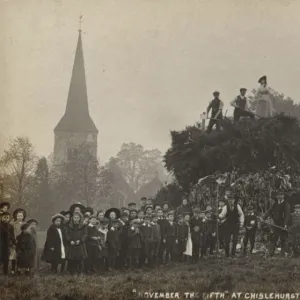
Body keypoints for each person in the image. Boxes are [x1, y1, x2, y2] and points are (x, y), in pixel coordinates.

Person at [262, 190, 291, 257]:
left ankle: (283, 254)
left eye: (281, 195)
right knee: (273, 238)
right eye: (278, 195)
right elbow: (269, 211)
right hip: (275, 224)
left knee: (283, 239)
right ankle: (271, 253)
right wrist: (263, 218)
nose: (280, 196)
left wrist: (285, 224)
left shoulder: (286, 204)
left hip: (283, 224)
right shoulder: (275, 203)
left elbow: (287, 215)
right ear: (277, 196)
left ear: (283, 196)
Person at [219, 190, 244, 257]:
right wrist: (219, 216)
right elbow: (222, 214)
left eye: (232, 200)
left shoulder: (237, 206)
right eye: (229, 200)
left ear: (234, 200)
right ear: (228, 200)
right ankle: (227, 254)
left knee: (235, 240)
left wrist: (241, 223)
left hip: (235, 225)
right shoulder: (225, 207)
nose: (231, 201)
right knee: (227, 240)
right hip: (228, 225)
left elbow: (241, 214)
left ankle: (233, 254)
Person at [10, 208, 26, 274]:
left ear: (23, 216)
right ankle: (13, 269)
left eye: (21, 216)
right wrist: (13, 240)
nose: (19, 217)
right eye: (18, 216)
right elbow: (11, 232)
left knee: (21, 255)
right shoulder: (13, 223)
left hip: (22, 241)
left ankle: (19, 269)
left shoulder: (25, 223)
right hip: (15, 241)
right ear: (16, 216)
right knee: (13, 255)